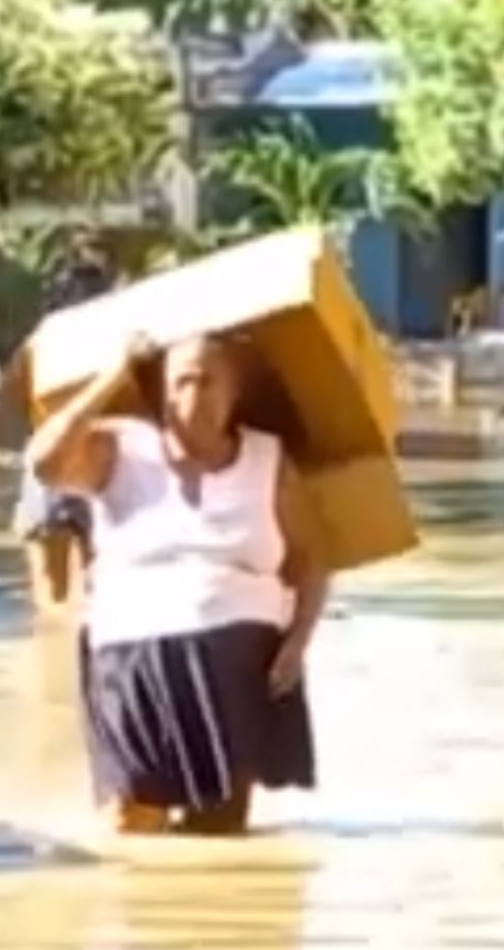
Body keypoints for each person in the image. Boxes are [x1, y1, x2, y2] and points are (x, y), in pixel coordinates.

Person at [28, 332, 329, 836]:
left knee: (220, 829)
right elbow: (43, 463)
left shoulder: (268, 459)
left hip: (239, 661)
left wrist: (299, 640)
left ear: (235, 393)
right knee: (132, 819)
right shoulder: (119, 446)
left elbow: (311, 559)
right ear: (160, 391)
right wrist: (114, 375)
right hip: (133, 655)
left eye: (209, 381)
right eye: (181, 381)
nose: (194, 396)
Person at [0, 236, 117, 612]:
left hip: (54, 468)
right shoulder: (115, 343)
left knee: (52, 595)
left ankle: (53, 658)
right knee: (99, 588)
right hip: (97, 469)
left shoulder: (43, 342)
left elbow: (2, 399)